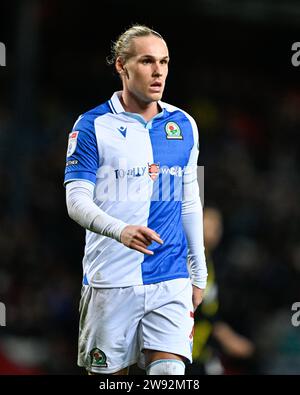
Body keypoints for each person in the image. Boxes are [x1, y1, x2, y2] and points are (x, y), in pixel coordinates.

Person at [64, 24, 207, 375]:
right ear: (121, 66)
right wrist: (120, 231)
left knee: (169, 377)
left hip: (170, 277)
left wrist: (198, 271)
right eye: (146, 61)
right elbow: (75, 201)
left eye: (164, 62)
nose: (158, 71)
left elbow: (189, 199)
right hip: (111, 279)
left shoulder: (184, 124)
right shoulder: (92, 125)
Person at [186, 207, 255, 375]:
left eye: (218, 227)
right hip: (183, 352)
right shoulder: (186, 260)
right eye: (208, 225)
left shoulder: (209, 260)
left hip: (201, 352)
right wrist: (228, 338)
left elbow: (210, 307)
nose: (214, 232)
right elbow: (198, 309)